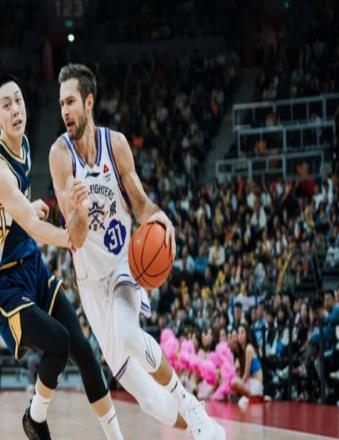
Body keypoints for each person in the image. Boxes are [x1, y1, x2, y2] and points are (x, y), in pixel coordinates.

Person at [49, 63, 225, 440]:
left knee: (130, 334)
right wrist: (79, 211)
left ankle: (191, 407)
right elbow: (73, 237)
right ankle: (202, 423)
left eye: (71, 102)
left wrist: (160, 217)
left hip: (123, 265)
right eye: (61, 103)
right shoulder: (60, 155)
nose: (64, 110)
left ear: (89, 102)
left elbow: (141, 204)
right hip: (90, 285)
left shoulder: (116, 145)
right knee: (148, 400)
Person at [0, 74, 124, 440]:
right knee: (58, 343)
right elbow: (30, 226)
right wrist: (71, 239)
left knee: (84, 350)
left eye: (19, 100)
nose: (16, 109)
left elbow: (15, 212)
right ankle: (36, 418)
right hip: (5, 285)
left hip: (32, 266)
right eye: (7, 105)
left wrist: (29, 206)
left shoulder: (25, 145)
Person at [231, 324, 263, 405]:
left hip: (256, 383)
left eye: (242, 333)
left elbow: (246, 374)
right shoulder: (242, 351)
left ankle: (257, 397)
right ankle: (256, 397)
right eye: (239, 333)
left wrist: (239, 386)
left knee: (234, 382)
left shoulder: (249, 348)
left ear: (247, 335)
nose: (240, 335)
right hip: (250, 383)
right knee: (241, 403)